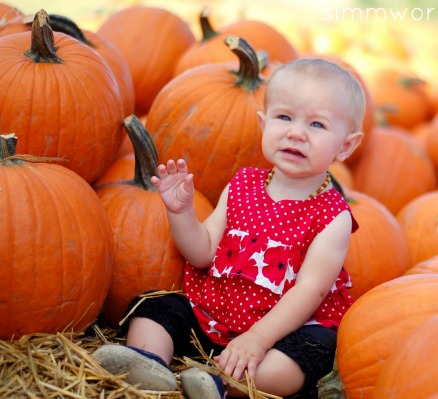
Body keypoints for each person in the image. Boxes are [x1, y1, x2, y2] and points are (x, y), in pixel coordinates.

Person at [92, 57, 366, 398]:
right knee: (153, 308)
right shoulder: (242, 185)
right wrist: (181, 212)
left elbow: (309, 292)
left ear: (346, 145)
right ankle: (149, 365)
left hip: (283, 331)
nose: (296, 132)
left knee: (307, 355)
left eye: (317, 125)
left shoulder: (333, 216)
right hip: (216, 315)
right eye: (284, 117)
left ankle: (220, 386)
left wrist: (258, 339)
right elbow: (203, 252)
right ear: (263, 124)